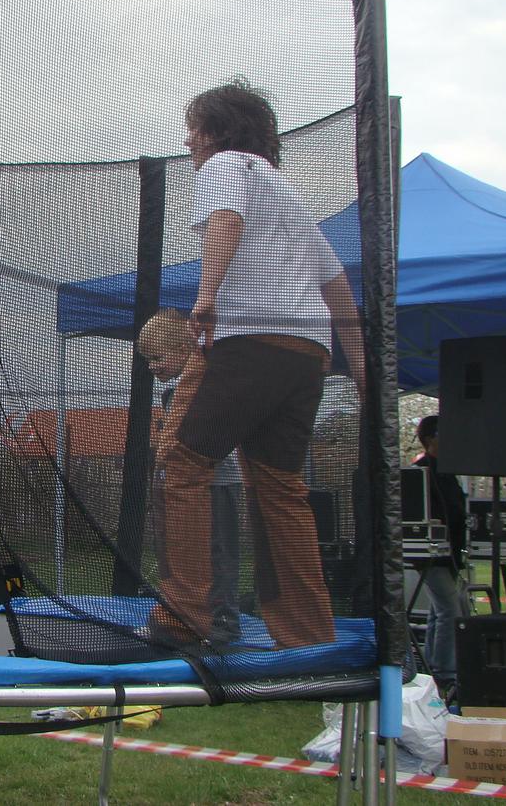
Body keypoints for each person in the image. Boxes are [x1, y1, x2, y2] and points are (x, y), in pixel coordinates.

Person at [150, 79, 365, 649]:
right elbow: (337, 287)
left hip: (251, 339)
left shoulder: (225, 165)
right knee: (280, 488)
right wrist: (365, 372)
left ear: (217, 131)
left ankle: (185, 617)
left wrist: (206, 295)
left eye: (194, 129)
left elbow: (225, 221)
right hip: (308, 356)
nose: (189, 141)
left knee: (183, 461)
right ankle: (307, 634)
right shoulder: (287, 194)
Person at [137, 309, 242, 643]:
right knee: (180, 553)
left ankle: (222, 623)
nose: (152, 366)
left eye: (157, 358)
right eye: (147, 360)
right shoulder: (173, 392)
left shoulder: (206, 381)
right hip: (181, 487)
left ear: (183, 350)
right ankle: (182, 617)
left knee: (218, 553)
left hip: (216, 484)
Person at [413, 414, 468, 686]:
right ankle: (445, 672)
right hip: (432, 555)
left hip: (449, 554)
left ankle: (433, 667)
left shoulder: (446, 471)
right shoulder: (422, 472)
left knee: (440, 611)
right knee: (450, 609)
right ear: (430, 439)